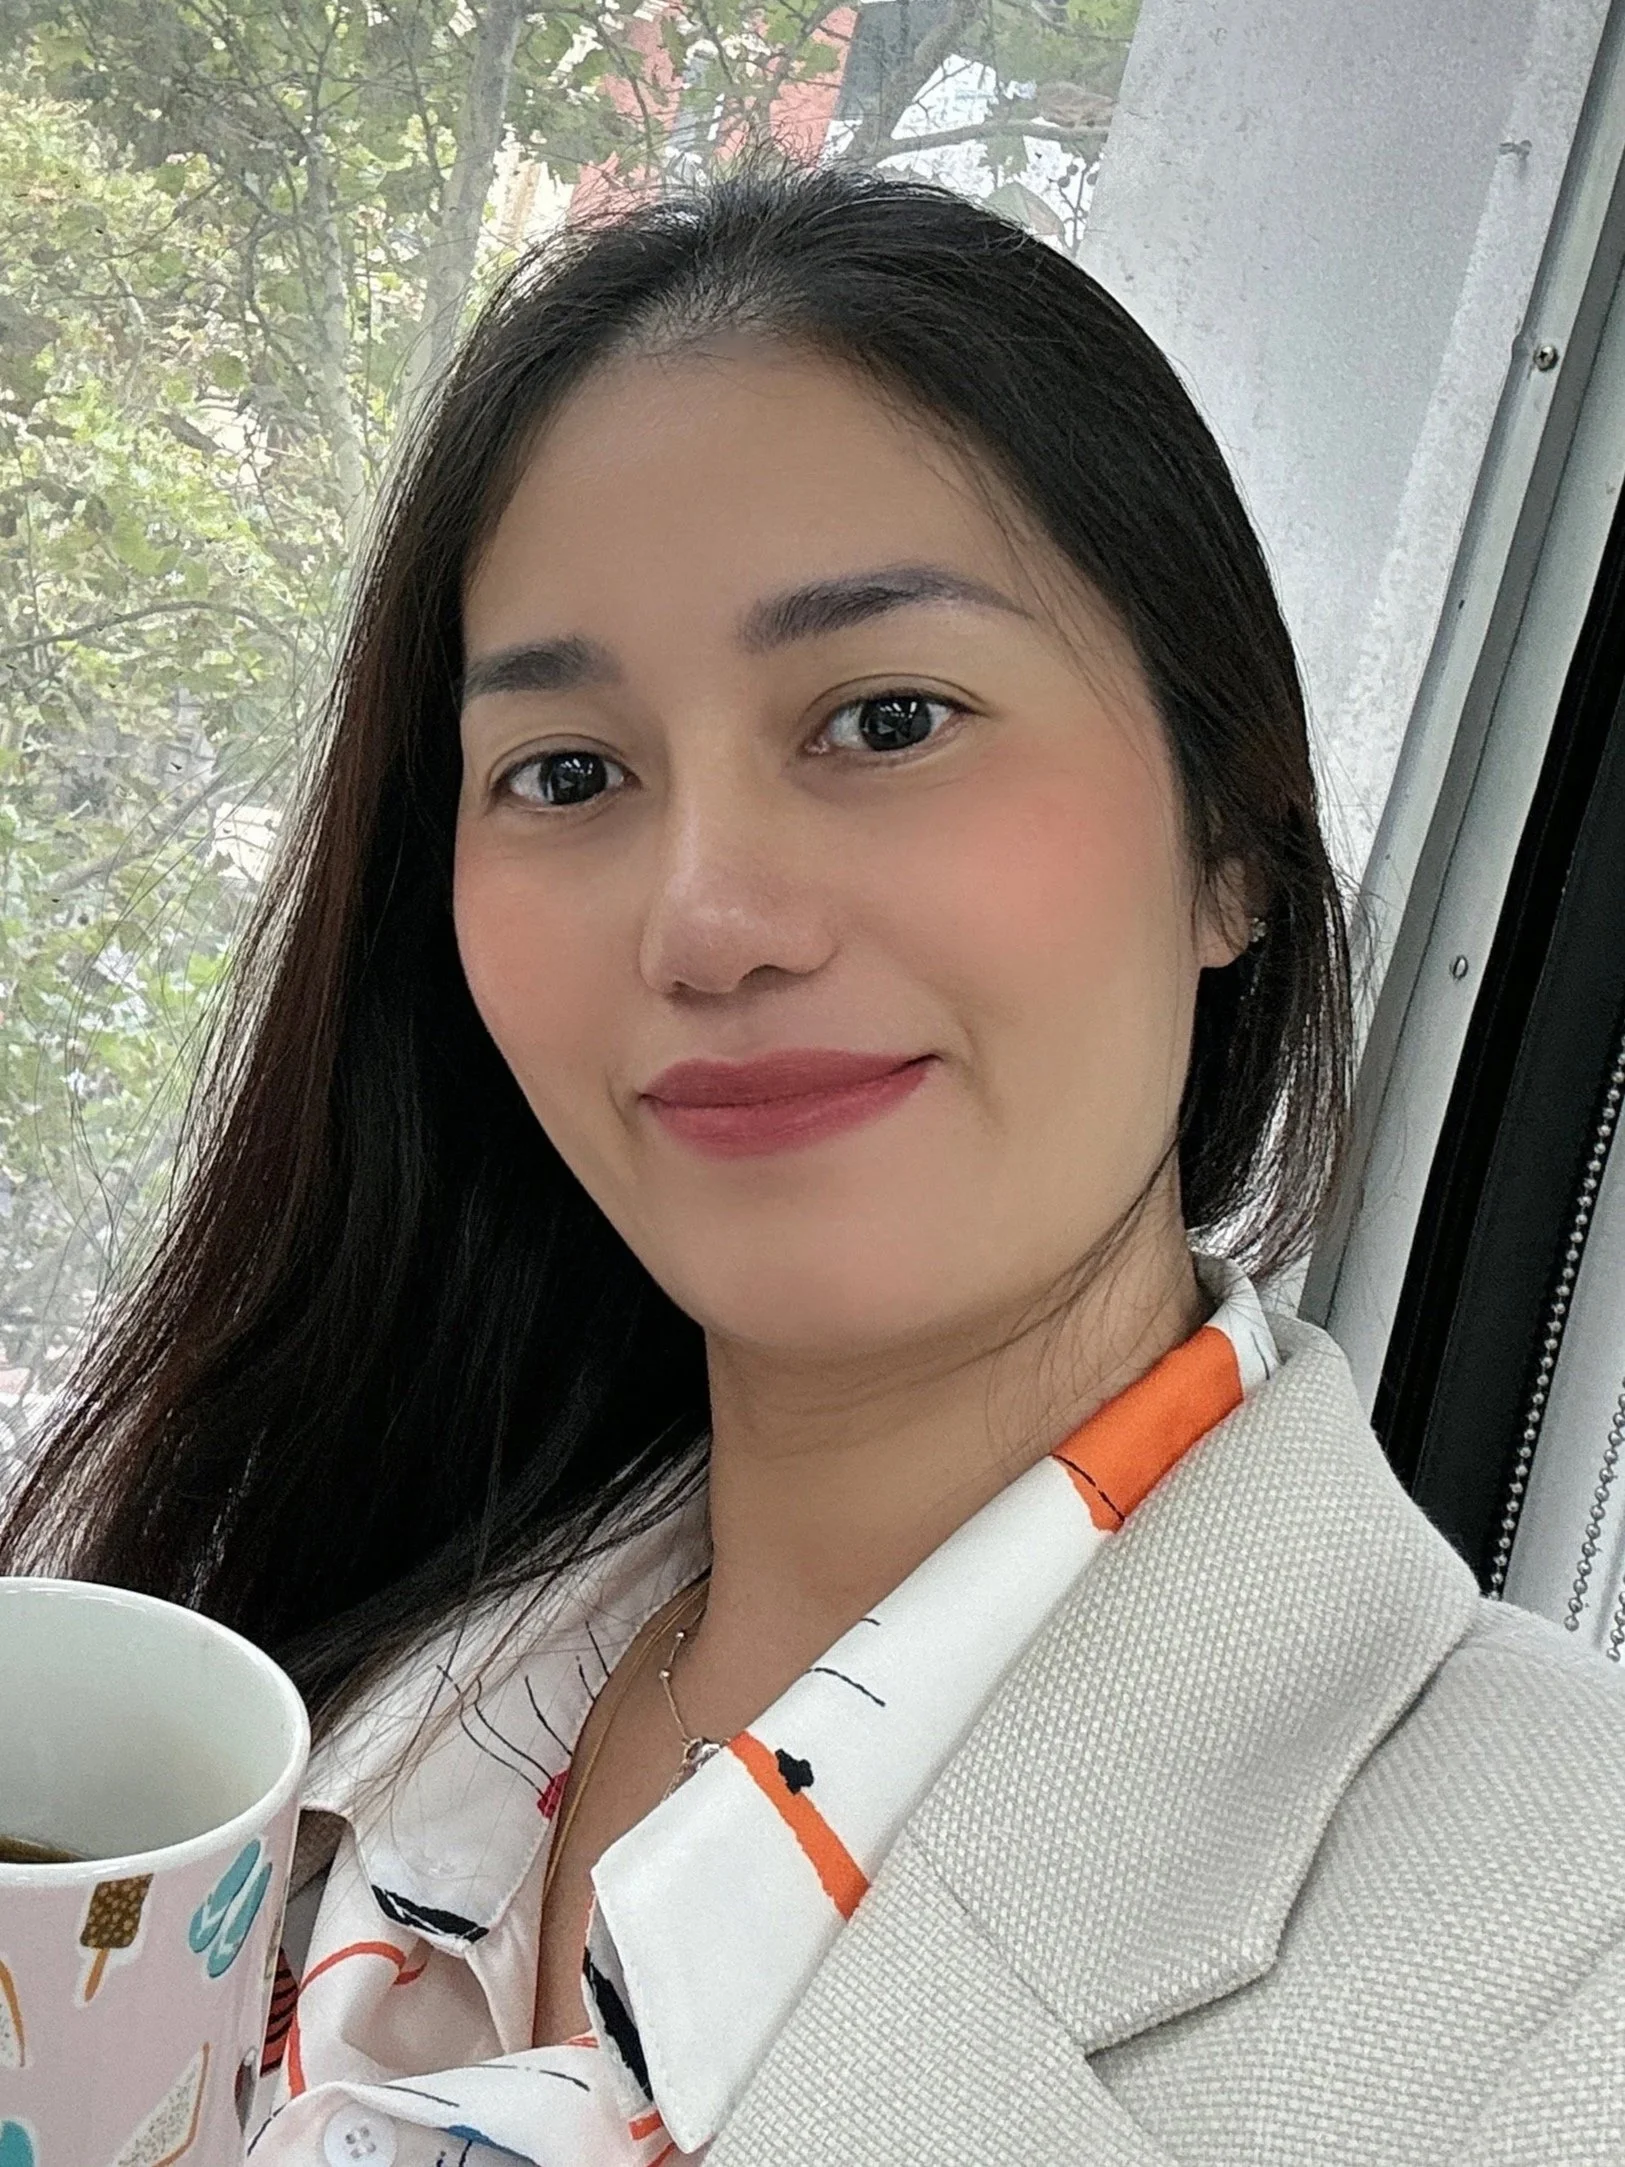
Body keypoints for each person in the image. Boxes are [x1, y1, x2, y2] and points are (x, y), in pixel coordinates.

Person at [5, 150, 1623, 2166]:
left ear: (1226, 841)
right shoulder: (293, 1681)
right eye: (568, 773)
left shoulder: (1566, 1969)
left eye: (883, 719)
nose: (707, 922)